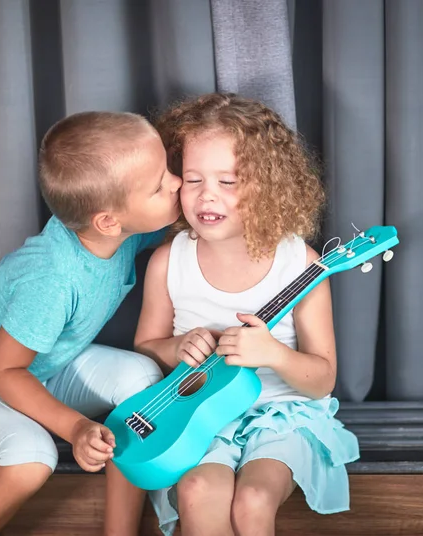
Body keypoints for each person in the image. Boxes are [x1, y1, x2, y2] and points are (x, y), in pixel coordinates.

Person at [0, 110, 182, 536]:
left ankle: (118, 530)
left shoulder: (111, 230)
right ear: (109, 220)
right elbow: (2, 371)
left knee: (142, 378)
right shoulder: (52, 279)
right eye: (161, 184)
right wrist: (76, 427)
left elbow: (169, 224)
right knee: (34, 454)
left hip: (47, 365)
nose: (177, 182)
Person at [134, 93, 360, 536]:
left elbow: (322, 378)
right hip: (198, 416)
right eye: (194, 180)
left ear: (268, 187)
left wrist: (273, 354)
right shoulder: (169, 261)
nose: (206, 196)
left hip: (281, 415)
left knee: (253, 502)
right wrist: (176, 347)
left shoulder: (301, 264)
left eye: (229, 182)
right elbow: (145, 345)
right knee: (198, 489)